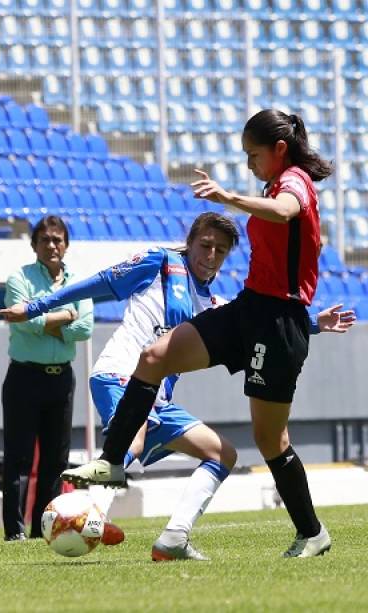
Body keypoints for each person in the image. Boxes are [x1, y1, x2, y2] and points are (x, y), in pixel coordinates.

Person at [54, 108, 354, 559]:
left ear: (278, 150)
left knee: (271, 440)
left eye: (253, 155)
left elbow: (285, 211)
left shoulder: (295, 183)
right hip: (250, 307)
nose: (250, 163)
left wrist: (227, 196)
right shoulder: (275, 182)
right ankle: (112, 463)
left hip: (279, 324)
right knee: (154, 356)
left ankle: (312, 532)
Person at [0, 208, 355, 560]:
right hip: (119, 374)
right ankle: (87, 511)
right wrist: (37, 306)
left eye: (220, 251)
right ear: (190, 242)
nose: (211, 256)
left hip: (156, 401)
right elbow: (101, 282)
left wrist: (313, 324)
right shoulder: (160, 262)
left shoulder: (214, 305)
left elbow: (255, 328)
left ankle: (173, 538)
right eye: (205, 245)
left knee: (221, 454)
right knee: (134, 433)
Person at [0, 215, 93, 541]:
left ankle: (44, 529)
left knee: (56, 459)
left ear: (66, 244)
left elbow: (86, 329)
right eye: (45, 240)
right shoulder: (19, 278)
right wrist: (67, 315)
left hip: (61, 381)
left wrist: (45, 319)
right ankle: (14, 532)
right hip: (24, 377)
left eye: (58, 239)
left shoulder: (78, 282)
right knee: (19, 458)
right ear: (34, 245)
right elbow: (24, 323)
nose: (52, 245)